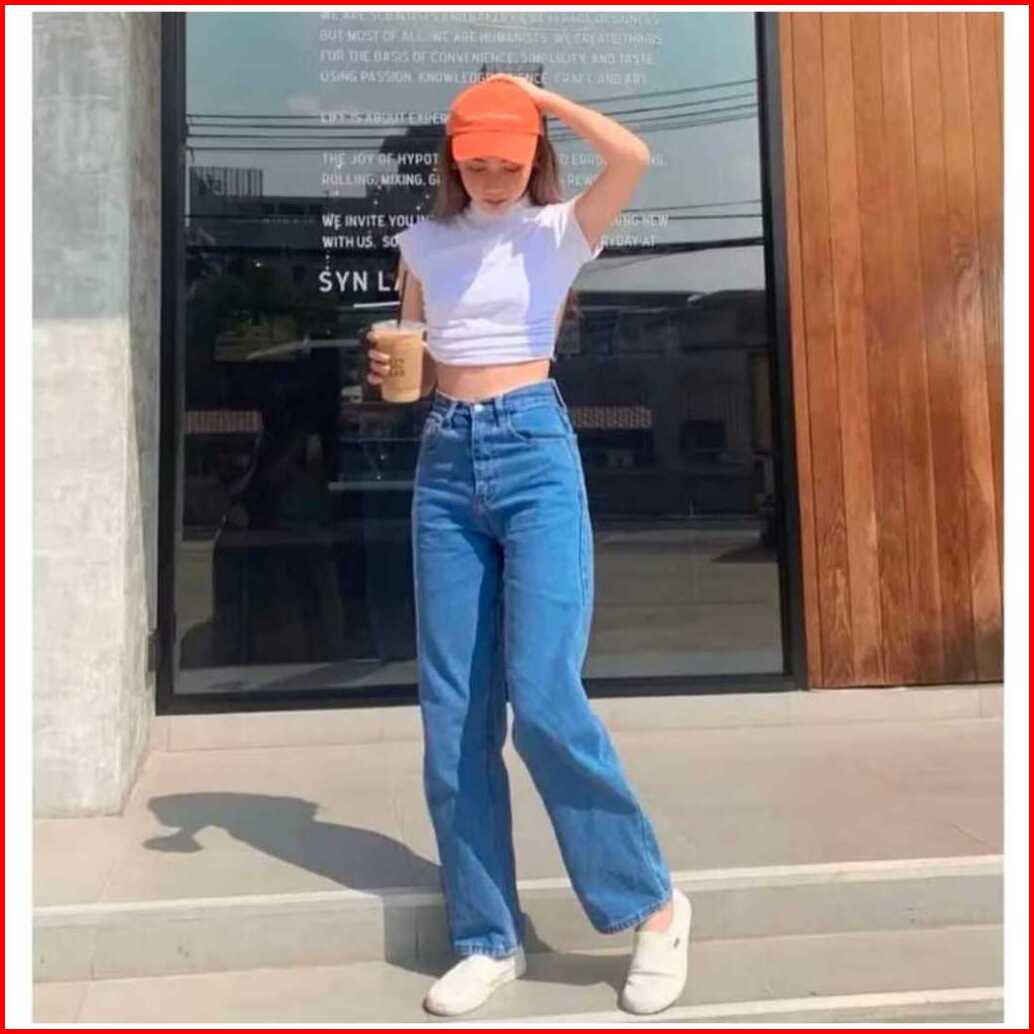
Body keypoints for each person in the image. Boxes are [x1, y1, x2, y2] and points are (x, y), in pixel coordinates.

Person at [366, 74, 692, 1018]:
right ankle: (486, 936)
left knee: (544, 696)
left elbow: (632, 155)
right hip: (445, 460)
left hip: (533, 452)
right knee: (455, 714)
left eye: (509, 161)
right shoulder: (422, 243)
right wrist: (390, 364)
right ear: (453, 160)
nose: (494, 176)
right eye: (477, 162)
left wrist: (543, 103)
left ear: (534, 157)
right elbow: (413, 348)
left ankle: (654, 908)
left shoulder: (559, 231)